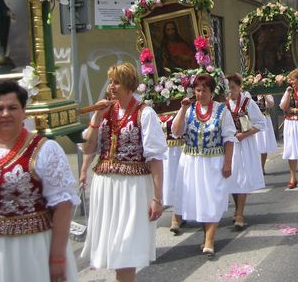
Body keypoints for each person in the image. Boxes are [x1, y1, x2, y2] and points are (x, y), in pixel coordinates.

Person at [0, 80, 79, 282]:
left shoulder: (44, 150)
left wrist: (57, 258)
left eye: (13, 108)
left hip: (30, 250)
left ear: (24, 112)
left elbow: (63, 206)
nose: (6, 113)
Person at [80, 63, 167, 281]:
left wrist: (157, 197)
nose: (111, 87)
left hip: (133, 189)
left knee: (126, 250)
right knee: (114, 250)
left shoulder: (144, 113)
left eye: (116, 82)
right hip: (106, 186)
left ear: (129, 85)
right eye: (110, 82)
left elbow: (155, 159)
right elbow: (88, 149)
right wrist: (96, 119)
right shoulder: (105, 113)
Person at [171, 73, 235, 257]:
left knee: (212, 200)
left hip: (214, 162)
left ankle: (210, 239)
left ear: (211, 92)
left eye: (204, 90)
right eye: (197, 90)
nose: (200, 94)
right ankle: (206, 233)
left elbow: (229, 138)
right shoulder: (189, 109)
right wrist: (182, 110)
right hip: (191, 162)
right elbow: (176, 132)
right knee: (199, 201)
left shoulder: (222, 110)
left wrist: (228, 163)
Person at [226, 74, 265, 229]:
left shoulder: (248, 103)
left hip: (243, 145)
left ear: (239, 87)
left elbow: (260, 123)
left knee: (241, 178)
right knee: (232, 178)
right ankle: (237, 209)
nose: (231, 91)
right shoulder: (223, 104)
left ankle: (240, 214)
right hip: (229, 145)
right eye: (228, 88)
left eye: (233, 88)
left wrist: (244, 135)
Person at [159, 112, 185, 235]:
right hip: (161, 149)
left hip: (180, 147)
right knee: (166, 179)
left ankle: (177, 214)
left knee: (178, 178)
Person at [252, 93, 277, 174]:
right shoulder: (248, 93)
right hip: (252, 120)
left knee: (264, 143)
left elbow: (271, 105)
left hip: (263, 118)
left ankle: (262, 166)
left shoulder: (265, 94)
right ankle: (254, 166)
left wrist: (265, 95)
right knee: (253, 144)